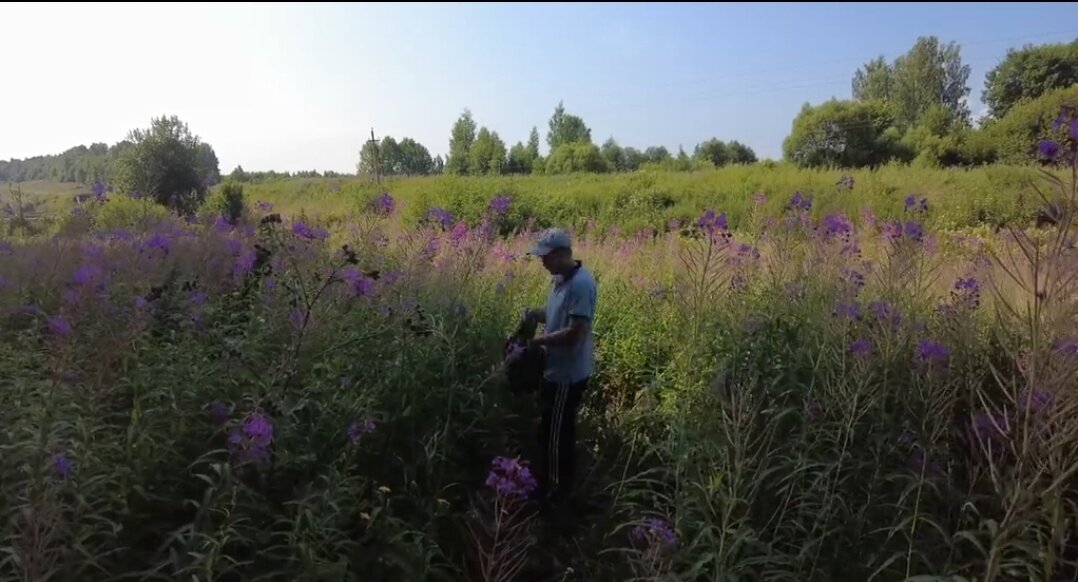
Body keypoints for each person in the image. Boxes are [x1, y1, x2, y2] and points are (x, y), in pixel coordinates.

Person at [509, 227, 598, 512]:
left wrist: (537, 342)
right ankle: (547, 483)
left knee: (558, 437)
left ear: (561, 255)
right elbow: (559, 315)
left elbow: (576, 333)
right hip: (554, 372)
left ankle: (558, 495)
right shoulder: (560, 280)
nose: (542, 262)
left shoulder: (581, 284)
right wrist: (537, 314)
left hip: (566, 377)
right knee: (549, 431)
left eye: (545, 257)